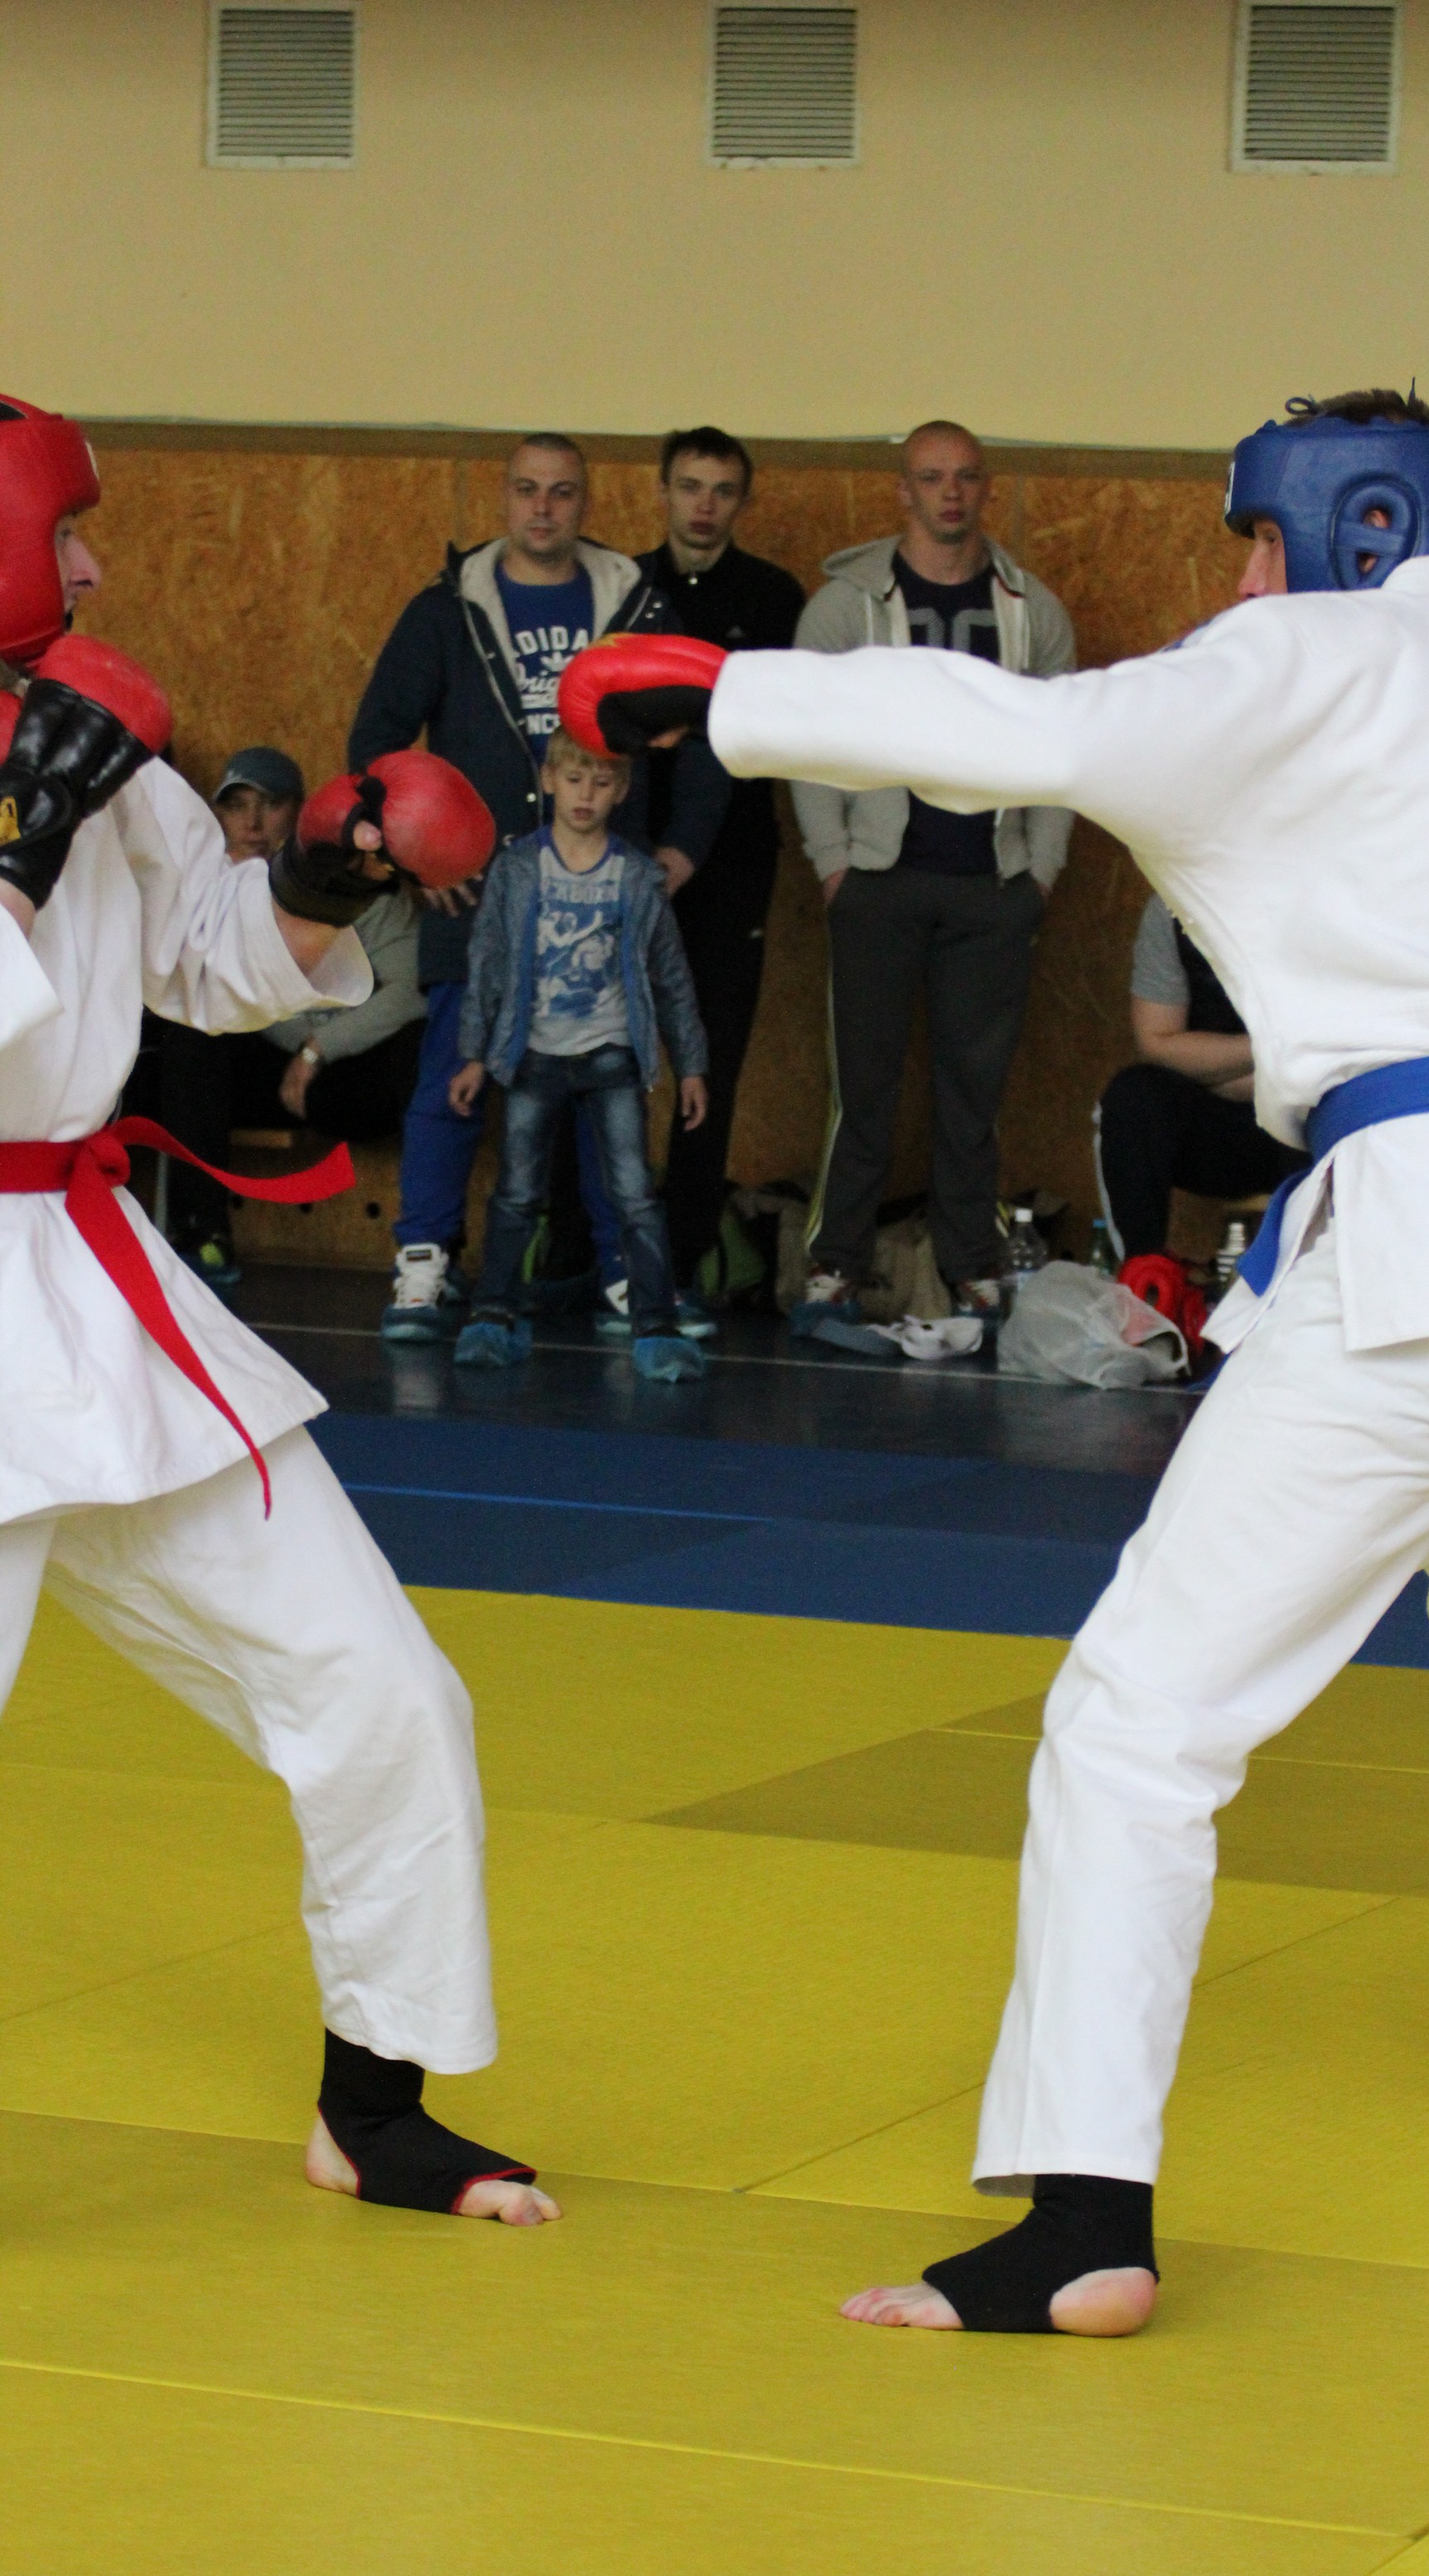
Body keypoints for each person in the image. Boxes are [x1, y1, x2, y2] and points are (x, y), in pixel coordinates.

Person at [569, 386, 1429, 2334]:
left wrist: (730, 692)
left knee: (1136, 1717)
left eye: (1256, 537)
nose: (1243, 578)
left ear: (1353, 527)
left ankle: (1084, 2215)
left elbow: (1034, 732)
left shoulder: (1311, 658)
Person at [0, 393, 555, 2225]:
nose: (93, 568)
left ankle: (375, 2105)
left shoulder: (85, 731)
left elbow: (213, 968)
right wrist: (18, 832)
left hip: (91, 1288)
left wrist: (326, 875)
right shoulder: (57, 760)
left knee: (379, 1685)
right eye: (64, 533)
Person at [350, 435, 639, 1341]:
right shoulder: (447, 609)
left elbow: (689, 737)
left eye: (561, 491)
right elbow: (375, 744)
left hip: (594, 896)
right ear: (504, 499)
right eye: (526, 489)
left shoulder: (631, 605)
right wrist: (416, 856)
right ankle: (424, 1265)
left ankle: (627, 1272)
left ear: (585, 502)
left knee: (604, 1092)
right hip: (475, 897)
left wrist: (673, 852)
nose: (542, 507)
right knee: (451, 1084)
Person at [789, 420, 1074, 1324]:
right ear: (902, 491)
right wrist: (834, 862)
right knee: (861, 1093)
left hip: (991, 883)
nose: (950, 493)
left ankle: (971, 1266)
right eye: (931, 477)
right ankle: (835, 1265)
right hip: (878, 878)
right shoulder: (846, 608)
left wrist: (1040, 870)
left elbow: (1062, 748)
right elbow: (804, 738)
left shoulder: (1031, 610)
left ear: (986, 489)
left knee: (971, 1097)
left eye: (966, 477)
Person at [450, 729, 709, 1382]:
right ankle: (491, 1317)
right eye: (572, 779)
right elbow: (487, 963)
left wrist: (691, 1064)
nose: (585, 794)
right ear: (548, 780)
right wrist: (474, 1053)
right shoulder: (517, 868)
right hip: (533, 1054)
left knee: (635, 1196)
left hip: (612, 1055)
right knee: (516, 1193)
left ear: (622, 790)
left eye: (600, 782)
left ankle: (657, 1326)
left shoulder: (637, 876)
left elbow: (671, 976)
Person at [621, 430, 804, 1303]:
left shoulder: (772, 597)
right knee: (599, 1053)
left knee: (710, 1060)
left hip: (732, 860)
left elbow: (779, 725)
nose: (704, 505)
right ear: (661, 491)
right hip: (618, 851)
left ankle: (687, 1252)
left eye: (723, 490)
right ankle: (599, 1245)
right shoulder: (622, 586)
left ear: (743, 501)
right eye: (690, 486)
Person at [147, 748, 425, 1288]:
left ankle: (428, 1252)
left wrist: (317, 1051)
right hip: (260, 1069)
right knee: (191, 1036)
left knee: (426, 1045)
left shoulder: (352, 884)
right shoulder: (200, 893)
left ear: (299, 812)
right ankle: (203, 1234)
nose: (252, 823)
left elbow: (411, 991)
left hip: (343, 1074)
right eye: (236, 806)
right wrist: (298, 1044)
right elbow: (194, 991)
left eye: (270, 805)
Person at [1097, 890, 1306, 1261]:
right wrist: (1272, 1050)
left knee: (1332, 1098)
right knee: (1133, 1097)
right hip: (1220, 1126)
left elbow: (1339, 1043)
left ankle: (1313, 1277)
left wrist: (1211, 1066)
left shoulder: (1318, 897)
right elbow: (1157, 1044)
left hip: (1305, 1119)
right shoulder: (1172, 904)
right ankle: (1146, 1275)